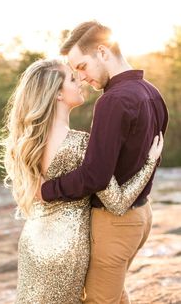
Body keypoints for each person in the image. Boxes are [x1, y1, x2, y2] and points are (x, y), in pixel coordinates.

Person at [0, 58, 163, 304]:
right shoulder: (82, 145)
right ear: (57, 95)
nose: (81, 81)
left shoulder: (27, 142)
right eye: (73, 79)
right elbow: (117, 203)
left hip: (34, 241)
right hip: (67, 247)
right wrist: (150, 162)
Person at [39, 22, 169, 303]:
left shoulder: (112, 101)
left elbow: (95, 175)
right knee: (115, 295)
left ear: (102, 51)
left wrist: (45, 190)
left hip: (115, 225)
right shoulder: (152, 93)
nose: (82, 77)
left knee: (99, 300)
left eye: (82, 66)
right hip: (141, 217)